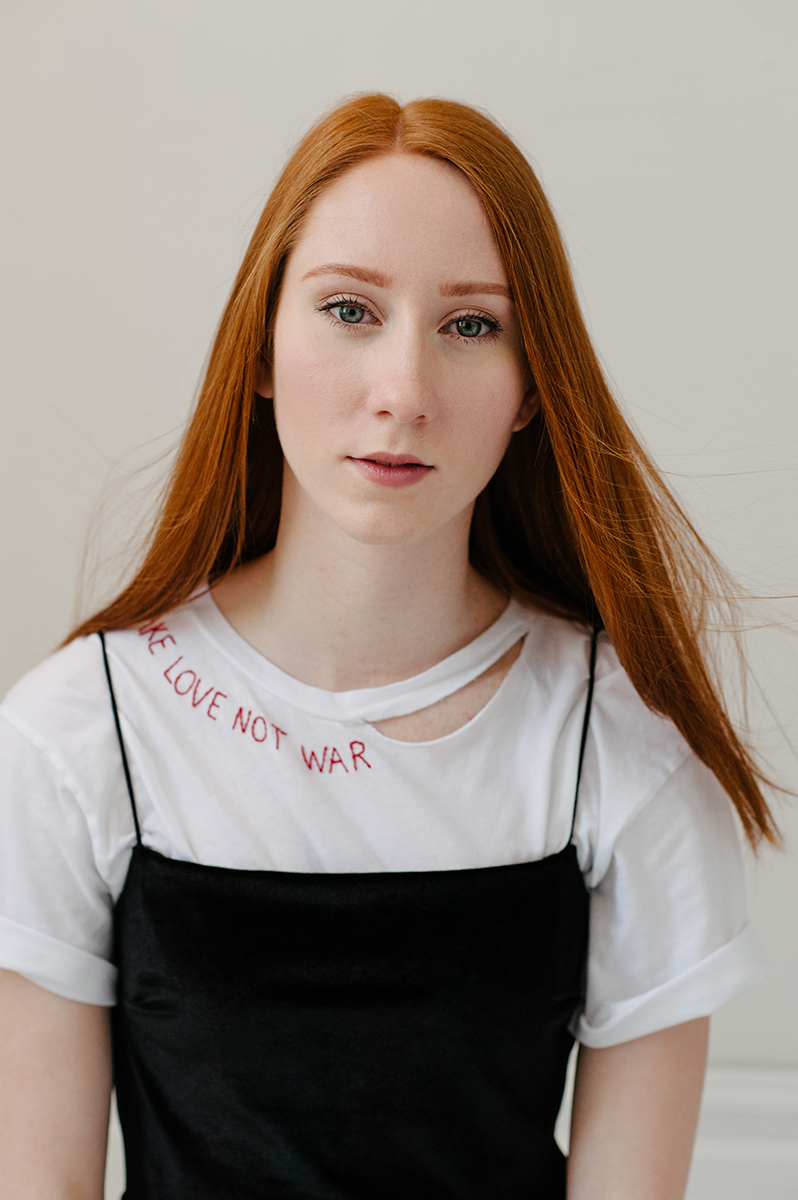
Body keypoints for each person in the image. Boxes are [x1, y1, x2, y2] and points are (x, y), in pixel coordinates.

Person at [0, 93, 777, 1200]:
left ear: (531, 389)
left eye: (472, 326)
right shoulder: (76, 737)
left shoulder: (621, 749)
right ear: (261, 351)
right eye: (349, 310)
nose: (404, 392)